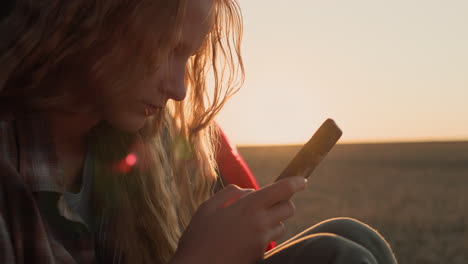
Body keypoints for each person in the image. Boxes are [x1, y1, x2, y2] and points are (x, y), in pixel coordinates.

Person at [0, 0, 398, 263]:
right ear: (88, 22)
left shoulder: (145, 147)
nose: (179, 89)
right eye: (165, 50)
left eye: (187, 58)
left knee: (352, 242)